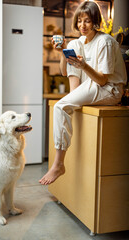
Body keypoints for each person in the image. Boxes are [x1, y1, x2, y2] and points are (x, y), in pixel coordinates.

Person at [39, 1, 127, 185]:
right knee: (73, 44)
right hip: (90, 87)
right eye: (80, 21)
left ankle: (58, 164)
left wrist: (84, 66)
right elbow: (64, 72)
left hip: (109, 89)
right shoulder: (79, 42)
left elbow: (103, 80)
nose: (82, 26)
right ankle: (74, 97)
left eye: (87, 21)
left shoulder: (106, 42)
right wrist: (64, 50)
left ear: (95, 21)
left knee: (60, 107)